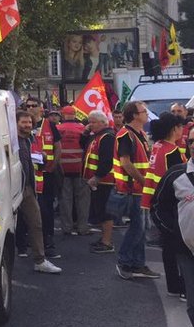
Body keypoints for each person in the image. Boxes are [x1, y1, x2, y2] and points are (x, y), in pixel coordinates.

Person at [113, 101, 159, 280]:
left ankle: (138, 264)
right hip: (133, 189)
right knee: (137, 228)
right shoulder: (126, 134)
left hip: (140, 189)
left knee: (141, 228)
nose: (147, 114)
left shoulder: (139, 133)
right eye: (144, 111)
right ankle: (124, 262)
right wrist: (144, 182)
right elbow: (125, 162)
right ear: (134, 115)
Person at [144, 112, 188, 294]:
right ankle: (182, 286)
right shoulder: (172, 152)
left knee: (168, 247)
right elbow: (179, 179)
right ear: (174, 129)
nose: (182, 130)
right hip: (172, 204)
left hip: (156, 201)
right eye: (180, 127)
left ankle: (173, 286)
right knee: (179, 248)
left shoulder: (158, 146)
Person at [15, 111, 62, 274]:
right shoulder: (11, 140)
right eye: (23, 122)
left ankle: (40, 260)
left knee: (36, 223)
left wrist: (42, 158)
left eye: (29, 122)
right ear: (15, 123)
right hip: (11, 188)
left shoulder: (30, 139)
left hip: (28, 187)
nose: (27, 125)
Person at [151, 157, 194, 321]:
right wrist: (175, 232)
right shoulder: (175, 175)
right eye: (191, 143)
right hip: (186, 250)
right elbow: (158, 207)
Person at [82, 110, 117, 254]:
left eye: (93, 122)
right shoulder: (97, 136)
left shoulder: (107, 137)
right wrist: (85, 132)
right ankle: (104, 239)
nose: (90, 125)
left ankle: (107, 242)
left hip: (105, 181)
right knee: (100, 211)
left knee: (105, 212)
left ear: (103, 123)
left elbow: (107, 160)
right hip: (99, 181)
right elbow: (83, 145)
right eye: (89, 122)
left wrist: (97, 177)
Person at [56, 105, 92, 236]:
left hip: (63, 170)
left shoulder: (58, 129)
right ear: (75, 114)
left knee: (65, 200)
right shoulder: (83, 129)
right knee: (82, 200)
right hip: (80, 169)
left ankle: (67, 227)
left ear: (62, 115)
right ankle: (82, 227)